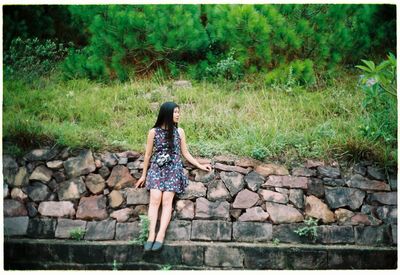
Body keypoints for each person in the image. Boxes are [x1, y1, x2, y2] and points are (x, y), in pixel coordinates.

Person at [135, 101, 212, 252]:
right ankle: (151, 235)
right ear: (167, 113)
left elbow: (186, 153)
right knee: (155, 198)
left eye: (178, 112)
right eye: (175, 112)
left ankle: (160, 235)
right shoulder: (153, 132)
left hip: (173, 170)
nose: (178, 114)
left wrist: (200, 165)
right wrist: (143, 175)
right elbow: (148, 154)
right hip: (157, 169)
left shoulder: (180, 132)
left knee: (166, 200)